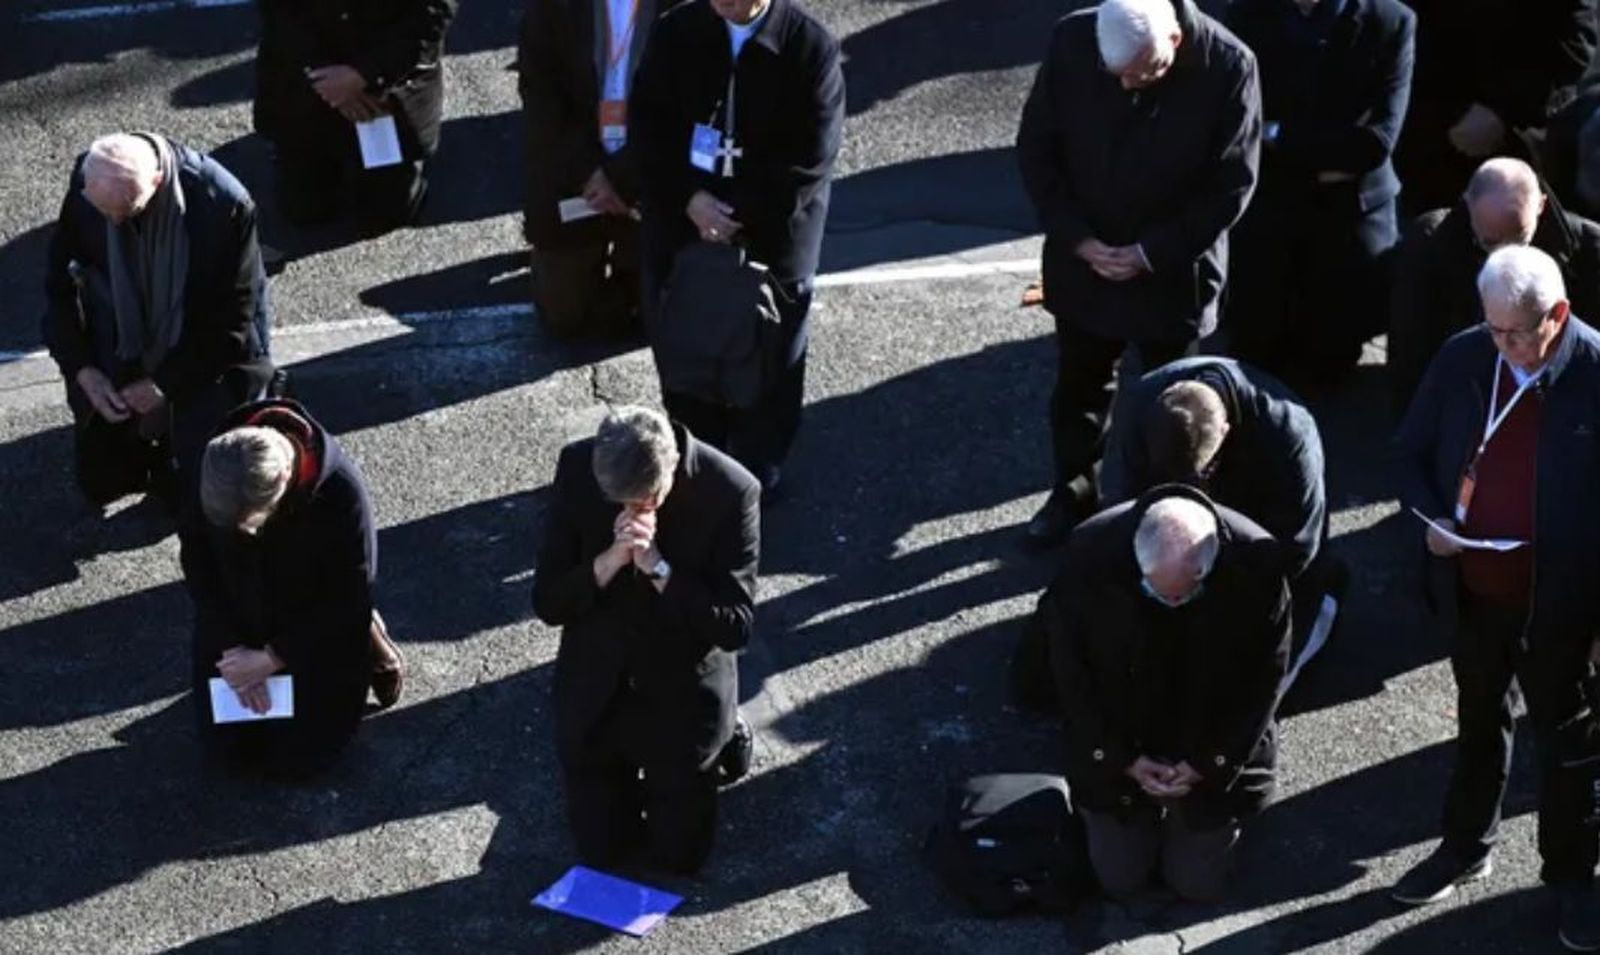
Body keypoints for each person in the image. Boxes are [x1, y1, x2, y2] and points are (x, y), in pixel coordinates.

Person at [1391, 245, 1600, 950]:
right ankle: (1466, 844)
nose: (1503, 346)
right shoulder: (1464, 357)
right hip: (1476, 593)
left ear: (1559, 315)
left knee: (1567, 748)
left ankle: (1572, 876)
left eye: (1516, 332)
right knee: (1480, 724)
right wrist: (1432, 520)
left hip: (1563, 610)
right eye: (1492, 330)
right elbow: (1410, 451)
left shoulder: (1596, 375)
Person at [1015, 0, 1262, 545]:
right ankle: (1073, 497)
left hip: (1173, 274)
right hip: (1087, 262)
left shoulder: (1229, 65)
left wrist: (1150, 253)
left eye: (1144, 72)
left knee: (1175, 408)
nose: (1130, 86)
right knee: (1079, 390)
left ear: (1175, 39)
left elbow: (1231, 186)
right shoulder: (1072, 42)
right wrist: (1080, 240)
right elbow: (1038, 149)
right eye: (1118, 75)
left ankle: (1167, 516)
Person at [630, 0, 845, 494]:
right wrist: (690, 200)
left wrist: (734, 215)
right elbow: (649, 126)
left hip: (772, 236)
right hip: (685, 226)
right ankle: (697, 456)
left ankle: (755, 469)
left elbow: (810, 161)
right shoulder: (676, 32)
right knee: (686, 347)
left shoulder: (810, 47)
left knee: (768, 360)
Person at [534, 406, 759, 874]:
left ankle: (727, 740)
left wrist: (658, 568)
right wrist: (610, 560)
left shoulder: (731, 491)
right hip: (600, 685)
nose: (631, 514)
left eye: (644, 503)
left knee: (679, 858)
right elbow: (549, 602)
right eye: (619, 504)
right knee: (603, 853)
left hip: (681, 689)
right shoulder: (578, 467)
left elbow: (734, 625)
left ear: (670, 471)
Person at [1045, 489, 1291, 901]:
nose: (1171, 605)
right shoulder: (1090, 554)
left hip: (1206, 735)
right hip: (1122, 734)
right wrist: (1120, 759)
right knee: (1119, 879)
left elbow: (1264, 681)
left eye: (1181, 595)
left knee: (1195, 884)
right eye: (1159, 593)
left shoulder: (1258, 564)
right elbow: (1071, 675)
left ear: (1209, 568)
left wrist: (1209, 764)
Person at [42, 132, 274, 515]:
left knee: (199, 495)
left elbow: (233, 321)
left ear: (157, 182)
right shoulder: (92, 188)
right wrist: (81, 369)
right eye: (104, 211)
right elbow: (58, 288)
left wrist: (165, 384)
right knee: (100, 482)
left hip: (205, 352)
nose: (114, 222)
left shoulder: (223, 206)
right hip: (127, 335)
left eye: (128, 211)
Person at [185, 398, 404, 779]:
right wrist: (231, 648)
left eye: (249, 525)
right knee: (228, 756)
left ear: (285, 480)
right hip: (239, 615)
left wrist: (273, 657)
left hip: (312, 621)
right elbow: (199, 564)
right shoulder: (215, 468)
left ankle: (372, 638)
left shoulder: (340, 493)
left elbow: (349, 595)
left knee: (302, 762)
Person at [1100, 356, 1337, 679]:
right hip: (1189, 544)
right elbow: (1122, 506)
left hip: (1258, 539)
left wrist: (1225, 590)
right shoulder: (1141, 405)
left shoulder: (1288, 434)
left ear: (1226, 432)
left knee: (1254, 682)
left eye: (1202, 473)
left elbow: (1296, 552)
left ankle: (1326, 607)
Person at [1223, 0, 1415, 387]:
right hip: (1272, 202)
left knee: (1330, 356)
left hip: (1349, 213)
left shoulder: (1390, 21)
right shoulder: (1246, 15)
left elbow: (1375, 143)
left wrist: (1278, 136)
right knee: (1254, 343)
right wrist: (1327, 149)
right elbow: (1235, 122)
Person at [1389, 158, 1600, 410]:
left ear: (1541, 206)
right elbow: (1411, 359)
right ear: (1469, 207)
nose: (1504, 257)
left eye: (1519, 239)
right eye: (1490, 243)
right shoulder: (1432, 247)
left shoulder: (1589, 253)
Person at [518, 0, 674, 339]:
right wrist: (589, 171)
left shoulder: (688, 8)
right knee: (566, 316)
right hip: (577, 173)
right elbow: (542, 97)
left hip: (649, 171)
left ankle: (634, 263)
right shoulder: (551, 8)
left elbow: (684, 107)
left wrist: (624, 177)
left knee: (659, 314)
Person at [253, 0, 458, 235]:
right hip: (312, 75)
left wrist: (366, 74)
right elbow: (279, 14)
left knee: (384, 214)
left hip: (387, 84)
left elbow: (434, 11)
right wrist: (323, 78)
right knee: (304, 209)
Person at [1394, 0, 1597, 216]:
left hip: (1520, 139)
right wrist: (1451, 113)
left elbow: (1575, 44)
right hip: (1428, 134)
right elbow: (1398, 24)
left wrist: (1502, 111)